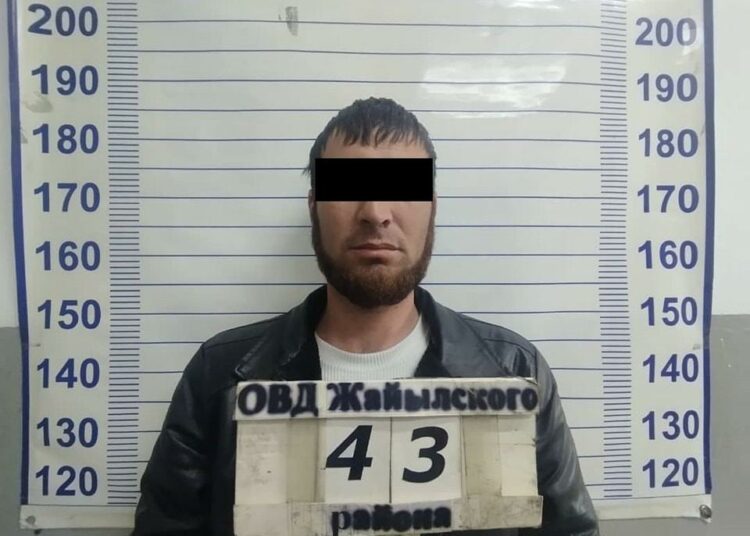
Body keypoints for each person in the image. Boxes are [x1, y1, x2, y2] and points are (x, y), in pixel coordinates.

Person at [133, 97, 599, 535]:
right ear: (314, 206)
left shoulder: (515, 371)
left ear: (432, 208)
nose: (375, 213)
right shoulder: (219, 376)